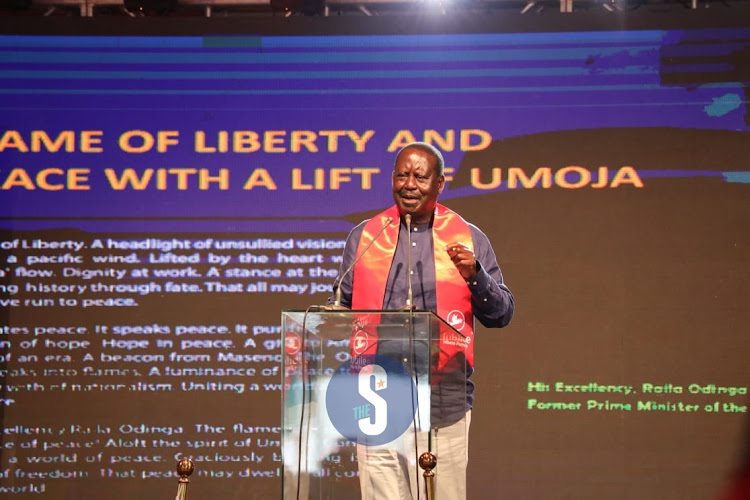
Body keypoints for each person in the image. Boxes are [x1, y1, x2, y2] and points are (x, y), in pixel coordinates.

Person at [329, 142, 515, 500]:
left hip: (442, 400)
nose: (409, 184)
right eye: (402, 175)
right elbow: (342, 306)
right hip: (375, 397)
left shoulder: (469, 239)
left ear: (440, 183)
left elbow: (501, 313)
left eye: (420, 176)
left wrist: (475, 275)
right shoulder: (366, 237)